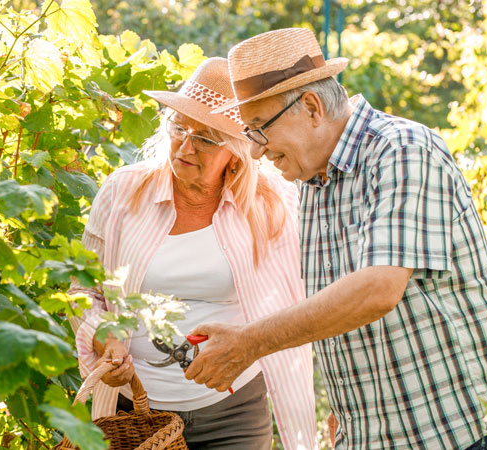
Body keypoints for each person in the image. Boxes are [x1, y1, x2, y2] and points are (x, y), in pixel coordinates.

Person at [183, 28, 487, 449]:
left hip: (457, 434)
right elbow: (343, 313)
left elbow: (377, 289)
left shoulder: (402, 150)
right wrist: (348, 412)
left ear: (310, 107)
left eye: (258, 129)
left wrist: (250, 342)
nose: (255, 151)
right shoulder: (312, 181)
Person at [66, 57, 318, 450]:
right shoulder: (123, 193)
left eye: (205, 138)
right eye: (179, 128)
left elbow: (307, 294)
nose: (185, 145)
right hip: (135, 411)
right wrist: (104, 334)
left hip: (233, 412)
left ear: (235, 153)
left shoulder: (272, 204)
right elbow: (82, 289)